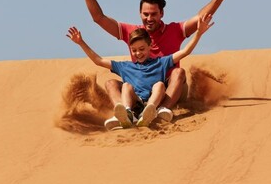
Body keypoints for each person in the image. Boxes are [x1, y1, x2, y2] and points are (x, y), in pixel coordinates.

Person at [77, 0, 229, 128]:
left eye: (154, 14)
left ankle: (163, 111)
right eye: (146, 14)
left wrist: (218, 0)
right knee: (112, 83)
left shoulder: (175, 30)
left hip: (169, 89)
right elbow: (99, 18)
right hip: (138, 89)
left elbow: (200, 18)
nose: (149, 18)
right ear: (140, 13)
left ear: (161, 13)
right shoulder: (133, 33)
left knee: (178, 72)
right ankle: (124, 114)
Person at [66, 13, 214, 129]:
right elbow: (98, 60)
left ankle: (151, 111)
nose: (138, 53)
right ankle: (126, 114)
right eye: (134, 50)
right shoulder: (126, 66)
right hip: (135, 101)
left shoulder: (161, 62)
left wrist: (198, 34)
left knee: (159, 85)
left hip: (155, 100)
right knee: (121, 85)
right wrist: (81, 43)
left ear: (150, 47)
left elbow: (185, 51)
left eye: (142, 49)